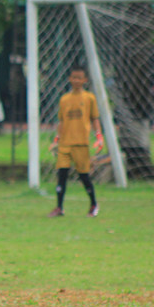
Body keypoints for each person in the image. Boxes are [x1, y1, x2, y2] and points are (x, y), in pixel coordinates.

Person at [48, 66, 103, 218]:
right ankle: (59, 207)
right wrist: (56, 140)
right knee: (62, 174)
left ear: (85, 80)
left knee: (84, 175)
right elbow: (62, 121)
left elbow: (95, 119)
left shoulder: (89, 98)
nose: (76, 80)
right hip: (65, 144)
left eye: (79, 78)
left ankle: (93, 204)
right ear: (69, 79)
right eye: (74, 77)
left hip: (81, 143)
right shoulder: (64, 99)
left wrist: (99, 137)